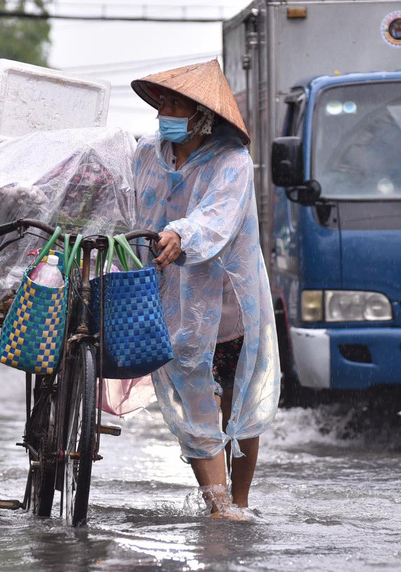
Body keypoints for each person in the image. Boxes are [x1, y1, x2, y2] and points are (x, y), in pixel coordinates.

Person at [130, 59, 280, 513]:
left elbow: (217, 218)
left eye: (175, 104)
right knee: (198, 405)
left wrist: (182, 234)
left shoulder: (231, 163)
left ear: (201, 114)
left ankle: (240, 500)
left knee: (239, 411)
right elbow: (126, 202)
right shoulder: (145, 154)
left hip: (229, 306)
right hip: (172, 305)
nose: (164, 112)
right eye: (163, 103)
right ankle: (219, 512)